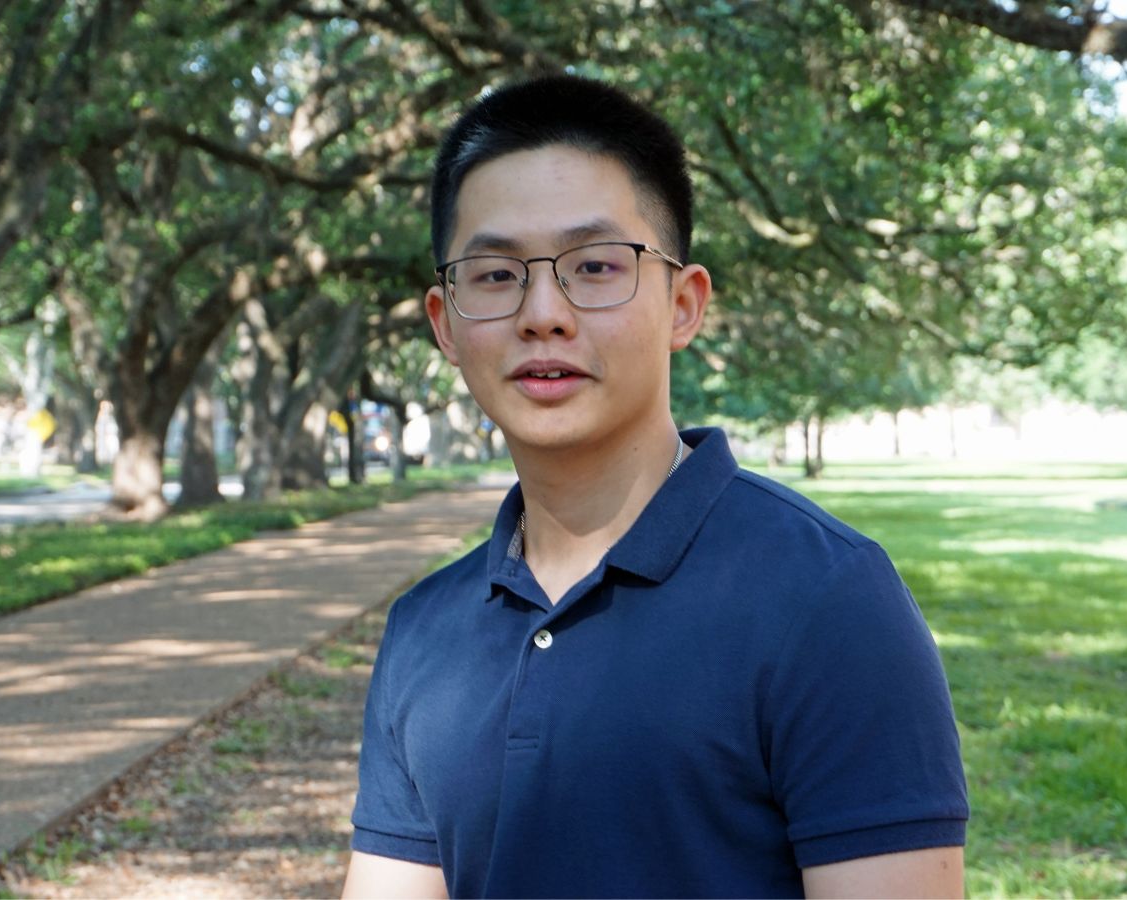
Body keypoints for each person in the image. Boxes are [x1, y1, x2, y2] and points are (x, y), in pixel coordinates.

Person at [343, 75, 968, 899]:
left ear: (683, 304)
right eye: (494, 275)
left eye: (595, 266)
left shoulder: (828, 599)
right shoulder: (425, 630)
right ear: (445, 323)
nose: (543, 313)